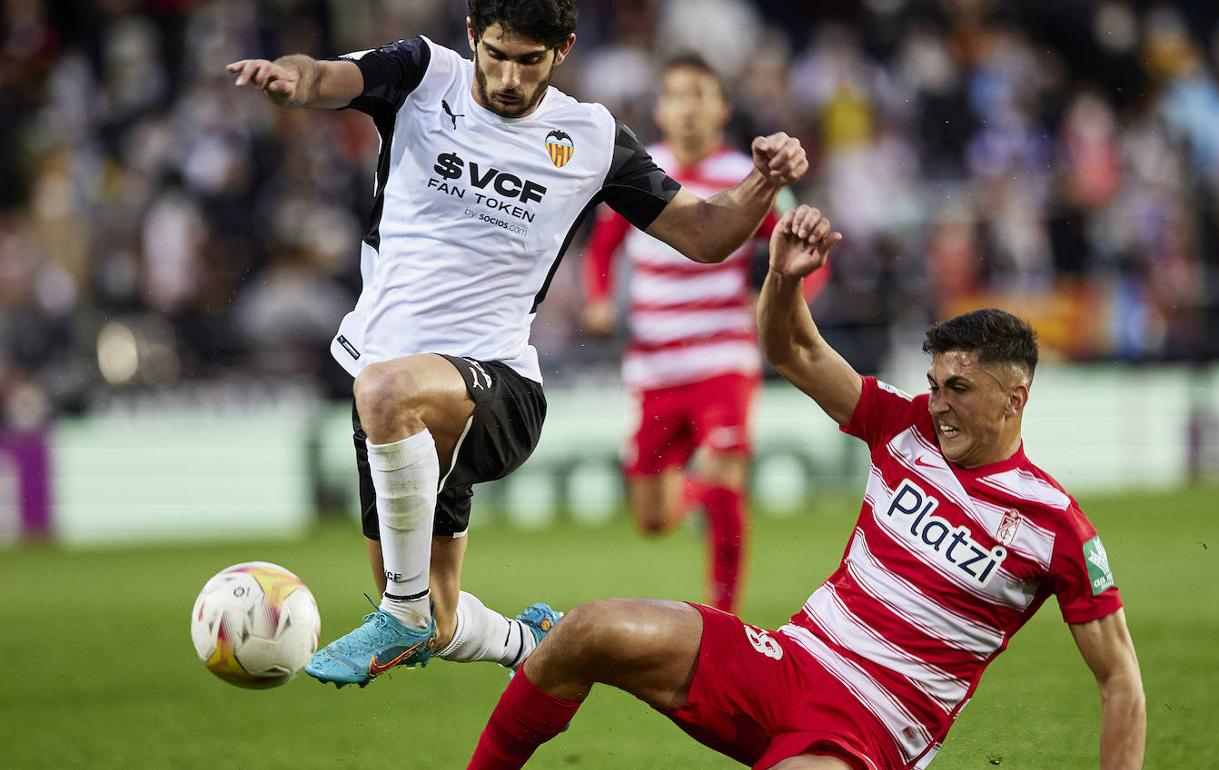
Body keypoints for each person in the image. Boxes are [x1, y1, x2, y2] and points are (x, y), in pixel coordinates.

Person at [226, 0, 812, 689]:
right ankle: (530, 640)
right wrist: (292, 79)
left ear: (563, 49)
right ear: (473, 35)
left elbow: (707, 233)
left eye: (529, 61)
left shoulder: (590, 138)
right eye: (497, 55)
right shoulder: (422, 75)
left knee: (382, 395)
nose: (509, 78)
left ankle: (401, 613)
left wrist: (764, 182)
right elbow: (328, 77)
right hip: (396, 411)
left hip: (497, 390)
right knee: (439, 617)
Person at [465, 205, 1147, 770]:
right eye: (936, 384)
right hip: (786, 662)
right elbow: (791, 350)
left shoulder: (1055, 526)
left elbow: (1120, 679)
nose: (939, 404)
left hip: (868, 730)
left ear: (1015, 397)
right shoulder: (902, 424)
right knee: (586, 630)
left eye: (959, 389)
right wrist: (783, 278)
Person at [582, 52, 824, 614]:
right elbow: (602, 248)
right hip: (654, 366)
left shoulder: (750, 178)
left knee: (726, 477)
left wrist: (782, 302)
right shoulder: (638, 172)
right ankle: (695, 495)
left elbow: (806, 250)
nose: (687, 108)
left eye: (699, 95)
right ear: (660, 110)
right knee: (651, 519)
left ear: (722, 109)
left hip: (722, 359)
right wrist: (597, 300)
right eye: (676, 96)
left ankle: (724, 618)